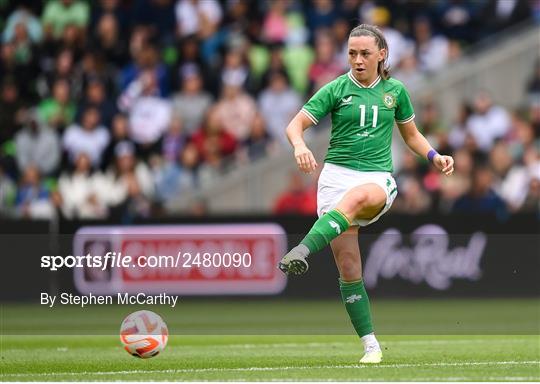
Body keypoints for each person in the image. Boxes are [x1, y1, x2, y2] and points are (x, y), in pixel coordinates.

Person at [278, 24, 454, 364]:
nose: (358, 60)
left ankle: (300, 250)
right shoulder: (336, 88)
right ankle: (371, 345)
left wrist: (435, 155)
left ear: (381, 55)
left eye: (365, 53)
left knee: (358, 199)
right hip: (334, 178)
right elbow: (294, 125)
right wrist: (299, 146)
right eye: (352, 53)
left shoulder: (396, 91)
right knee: (348, 268)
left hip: (376, 178)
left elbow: (412, 135)